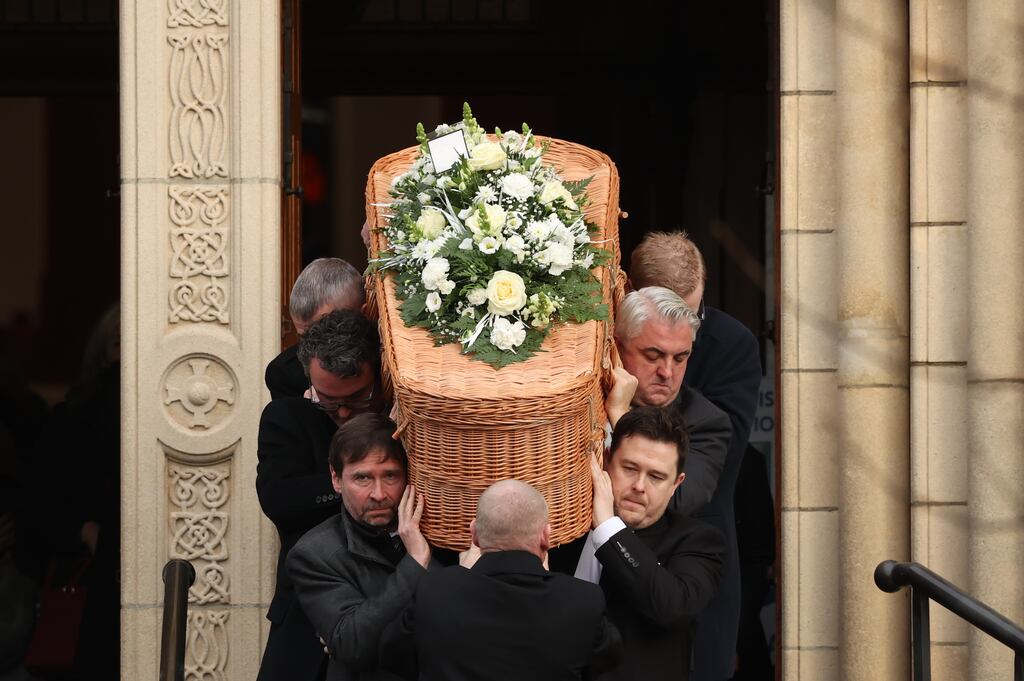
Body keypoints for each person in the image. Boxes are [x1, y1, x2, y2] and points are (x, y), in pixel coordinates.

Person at [631, 232, 761, 681]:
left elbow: (709, 463)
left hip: (691, 559)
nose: (668, 366)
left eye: (693, 313)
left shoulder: (731, 345)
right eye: (653, 350)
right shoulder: (599, 342)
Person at [256, 310, 385, 681]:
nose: (343, 412)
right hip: (303, 620)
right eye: (328, 401)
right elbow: (279, 499)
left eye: (358, 397)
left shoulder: (399, 420)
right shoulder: (287, 417)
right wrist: (353, 487)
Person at [404, 480, 621, 681]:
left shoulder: (433, 592)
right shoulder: (582, 602)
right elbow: (607, 663)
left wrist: (460, 578)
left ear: (474, 534)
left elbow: (394, 657)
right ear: (545, 536)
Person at [569, 406, 725, 681]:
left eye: (656, 476)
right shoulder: (565, 530)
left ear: (677, 484)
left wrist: (608, 528)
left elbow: (672, 607)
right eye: (629, 468)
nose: (639, 485)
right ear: (605, 460)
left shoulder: (699, 541)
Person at [287, 413, 432, 681]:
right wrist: (415, 563)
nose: (378, 494)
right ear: (336, 479)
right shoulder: (315, 554)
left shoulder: (440, 534)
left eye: (390, 476)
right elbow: (354, 645)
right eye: (362, 478)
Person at [606, 286, 731, 515]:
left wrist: (621, 415)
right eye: (653, 356)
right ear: (616, 347)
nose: (667, 372)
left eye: (680, 358)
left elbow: (673, 505)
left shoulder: (706, 422)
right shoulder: (586, 401)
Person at [266, 257, 365, 400]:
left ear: (364, 314)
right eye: (305, 337)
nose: (317, 349)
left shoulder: (388, 356)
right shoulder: (285, 374)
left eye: (329, 333)